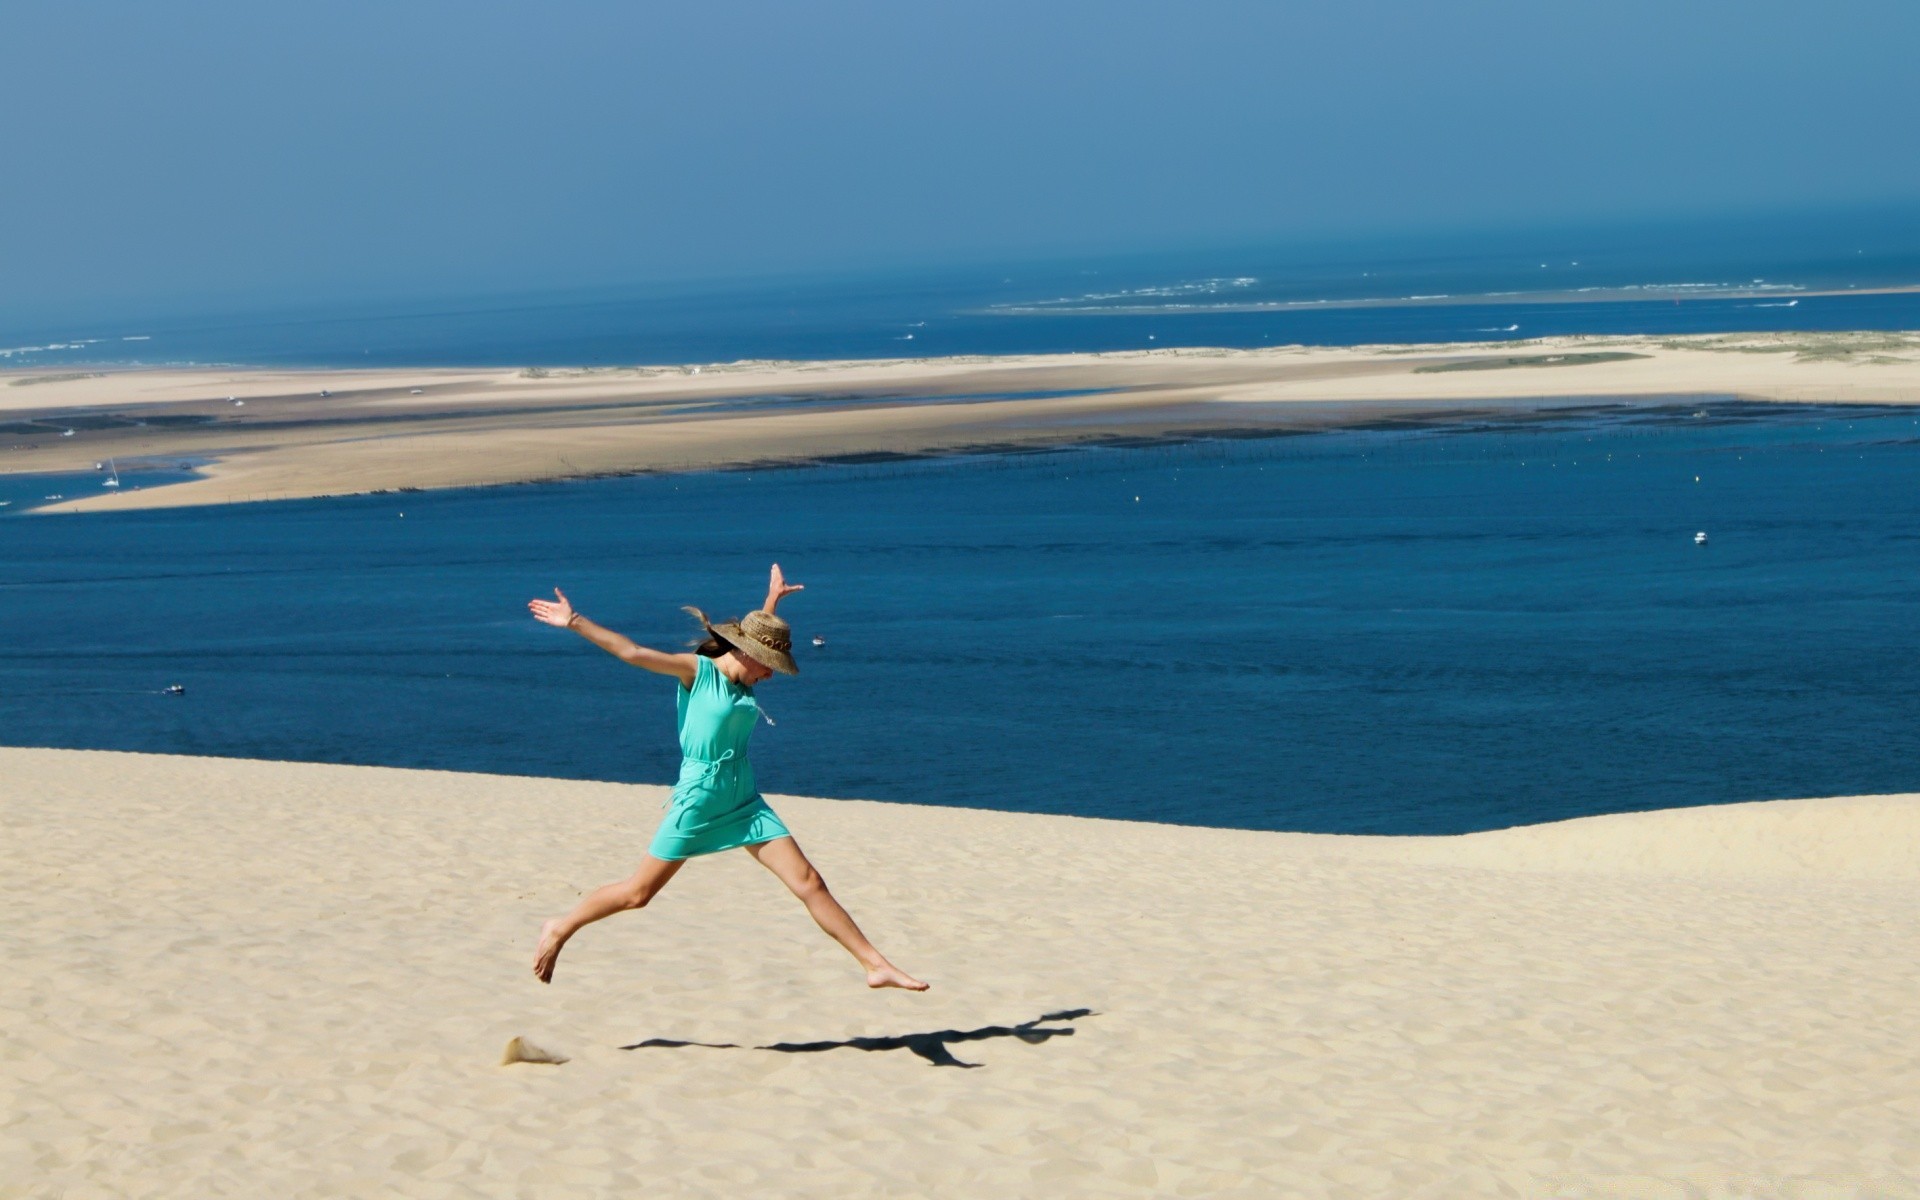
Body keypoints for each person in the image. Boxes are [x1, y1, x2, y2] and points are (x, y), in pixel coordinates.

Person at [525, 564, 928, 991]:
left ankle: (875, 964)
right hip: (698, 800)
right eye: (769, 664)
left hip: (743, 798)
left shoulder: (744, 678)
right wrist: (574, 621)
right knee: (637, 894)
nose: (771, 674)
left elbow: (759, 635)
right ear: (746, 651)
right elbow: (632, 652)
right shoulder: (697, 673)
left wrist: (771, 601)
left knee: (809, 882)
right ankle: (560, 926)